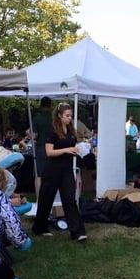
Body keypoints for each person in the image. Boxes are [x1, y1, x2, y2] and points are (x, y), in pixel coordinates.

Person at [32, 103, 87, 241]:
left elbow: (70, 146)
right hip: (52, 170)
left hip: (66, 170)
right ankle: (39, 227)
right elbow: (49, 152)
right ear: (59, 116)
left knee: (69, 200)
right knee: (46, 200)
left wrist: (76, 150)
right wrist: (66, 150)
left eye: (71, 115)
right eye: (67, 116)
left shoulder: (70, 130)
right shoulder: (51, 130)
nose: (70, 118)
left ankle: (77, 232)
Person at [32, 97, 53, 196]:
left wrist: (28, 134)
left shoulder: (37, 119)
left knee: (39, 175)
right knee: (52, 174)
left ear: (41, 105)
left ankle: (39, 199)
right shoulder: (54, 118)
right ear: (50, 105)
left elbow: (34, 135)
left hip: (41, 148)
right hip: (54, 148)